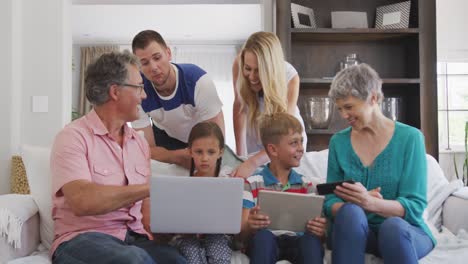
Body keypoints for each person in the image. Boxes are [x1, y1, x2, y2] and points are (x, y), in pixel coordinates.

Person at [50, 51, 186, 264]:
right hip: (83, 238)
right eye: (139, 87)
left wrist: (171, 229)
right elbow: (82, 201)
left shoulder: (139, 143)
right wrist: (150, 188)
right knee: (134, 260)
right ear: (115, 91)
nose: (144, 95)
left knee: (177, 260)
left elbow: (146, 213)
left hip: (134, 237)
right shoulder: (72, 137)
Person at [324, 63, 435, 263]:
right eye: (339, 108)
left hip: (404, 232)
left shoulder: (410, 138)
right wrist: (357, 205)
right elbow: (329, 202)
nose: (343, 115)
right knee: (350, 213)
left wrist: (370, 203)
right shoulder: (338, 142)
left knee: (392, 227)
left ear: (373, 98)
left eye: (349, 107)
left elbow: (415, 207)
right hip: (357, 233)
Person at [238, 112, 326, 264]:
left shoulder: (307, 185)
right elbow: (241, 236)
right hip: (265, 241)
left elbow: (321, 233)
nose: (301, 148)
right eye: (294, 143)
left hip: (298, 240)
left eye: (301, 141)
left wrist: (320, 231)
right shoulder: (251, 183)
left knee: (311, 241)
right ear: (273, 150)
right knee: (263, 237)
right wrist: (250, 226)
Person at [131, 29, 225, 169]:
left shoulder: (198, 81)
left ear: (168, 53)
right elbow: (146, 150)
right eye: (145, 63)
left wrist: (199, 155)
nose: (154, 67)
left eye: (157, 58)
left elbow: (217, 140)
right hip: (164, 137)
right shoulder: (138, 90)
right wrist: (176, 157)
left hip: (202, 136)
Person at [231, 31, 307, 178]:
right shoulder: (239, 64)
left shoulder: (291, 77)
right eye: (248, 69)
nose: (251, 77)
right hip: (255, 128)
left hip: (286, 137)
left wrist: (253, 162)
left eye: (258, 71)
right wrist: (240, 158)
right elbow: (239, 108)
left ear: (270, 70)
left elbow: (284, 135)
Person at [174, 122, 232, 264]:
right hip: (188, 236)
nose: (205, 158)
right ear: (190, 152)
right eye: (199, 152)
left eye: (211, 152)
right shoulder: (181, 185)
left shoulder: (229, 181)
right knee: (189, 249)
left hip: (219, 235)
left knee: (218, 247)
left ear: (220, 152)